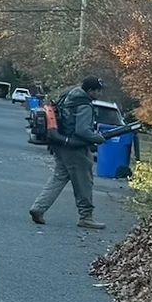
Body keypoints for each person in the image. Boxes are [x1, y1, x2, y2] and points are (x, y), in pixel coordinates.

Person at [29, 74, 107, 230]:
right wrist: (97, 138)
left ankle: (38, 208)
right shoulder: (84, 104)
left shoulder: (69, 96)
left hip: (60, 144)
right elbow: (82, 130)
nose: (100, 94)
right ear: (91, 91)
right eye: (98, 91)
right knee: (84, 182)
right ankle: (86, 217)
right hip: (76, 149)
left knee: (58, 178)